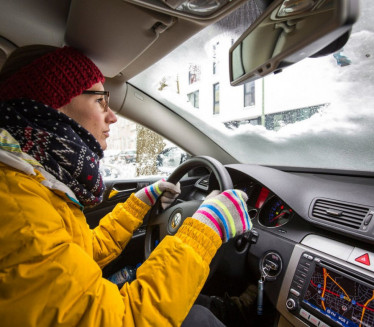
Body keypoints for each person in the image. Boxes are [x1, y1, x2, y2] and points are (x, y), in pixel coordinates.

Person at [0, 45, 252, 326]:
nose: (112, 117)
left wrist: (140, 203)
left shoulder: (29, 184)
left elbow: (85, 253)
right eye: (100, 101)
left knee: (197, 311)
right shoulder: (19, 210)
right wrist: (206, 229)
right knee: (200, 320)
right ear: (51, 103)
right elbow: (122, 320)